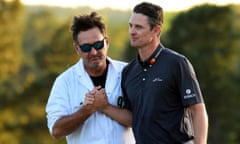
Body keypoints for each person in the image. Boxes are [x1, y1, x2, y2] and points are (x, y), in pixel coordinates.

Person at [121, 2, 208, 144]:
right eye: (131, 25)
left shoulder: (177, 63)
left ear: (156, 30)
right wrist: (102, 107)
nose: (132, 31)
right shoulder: (128, 71)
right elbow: (131, 117)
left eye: (138, 27)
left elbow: (197, 110)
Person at [46, 11, 134, 144]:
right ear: (77, 49)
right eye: (86, 47)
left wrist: (105, 107)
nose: (93, 52)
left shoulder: (128, 72)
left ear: (107, 42)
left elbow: (143, 119)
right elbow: (57, 131)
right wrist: (88, 109)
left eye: (98, 45)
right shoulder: (64, 82)